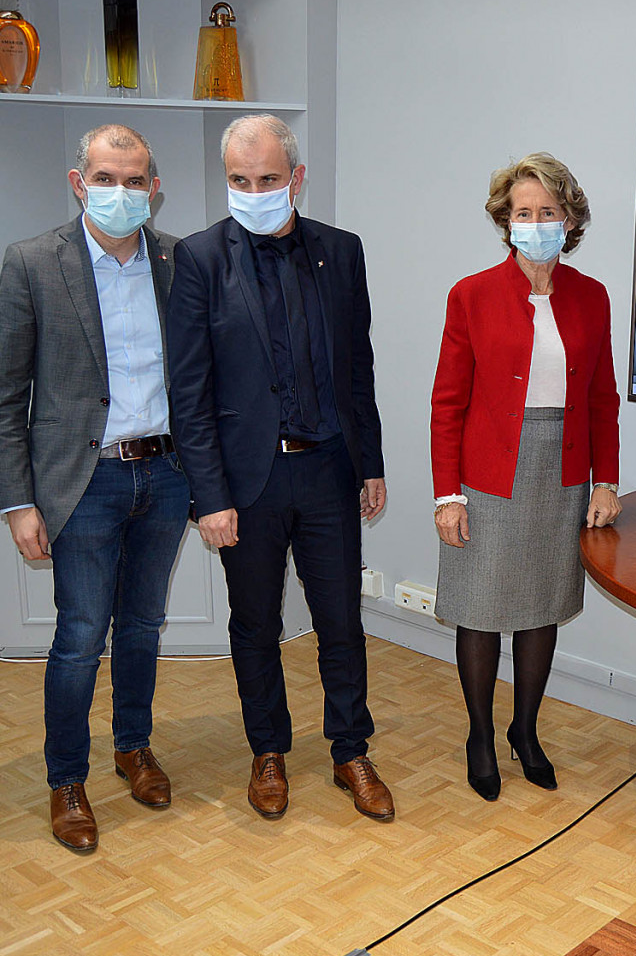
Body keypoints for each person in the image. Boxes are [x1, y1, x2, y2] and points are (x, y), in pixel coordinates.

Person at [165, 114, 393, 822]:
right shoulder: (199, 260)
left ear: (295, 178)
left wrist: (372, 463)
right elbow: (190, 392)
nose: (254, 191)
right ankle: (268, 750)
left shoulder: (341, 251)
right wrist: (210, 497)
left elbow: (359, 366)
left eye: (267, 180)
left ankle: (349, 750)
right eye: (240, 180)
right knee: (255, 624)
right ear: (226, 179)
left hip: (328, 468)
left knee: (340, 622)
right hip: (246, 483)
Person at [0, 125, 189, 853]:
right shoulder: (31, 264)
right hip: (83, 482)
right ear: (79, 182)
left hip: (166, 476)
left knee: (141, 626)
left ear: (154, 186)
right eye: (107, 178)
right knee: (80, 636)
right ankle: (66, 779)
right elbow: (7, 391)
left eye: (135, 179)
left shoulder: (178, 261)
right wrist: (18, 502)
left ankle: (133, 747)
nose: (122, 191)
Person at [431, 152, 620, 803]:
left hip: (560, 471)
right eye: (522, 213)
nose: (534, 222)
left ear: (569, 221)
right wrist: (447, 493)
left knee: (541, 607)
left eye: (546, 212)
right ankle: (480, 736)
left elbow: (602, 401)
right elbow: (447, 403)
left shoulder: (592, 298)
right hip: (486, 475)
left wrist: (605, 480)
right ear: (504, 221)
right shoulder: (471, 294)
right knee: (481, 612)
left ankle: (524, 731)